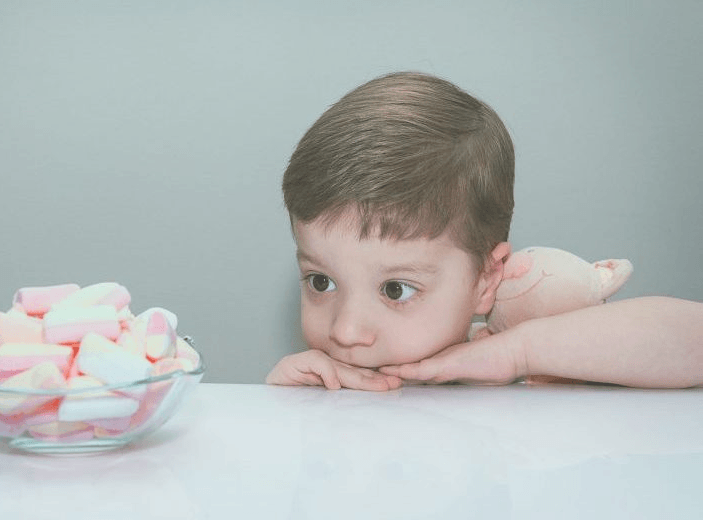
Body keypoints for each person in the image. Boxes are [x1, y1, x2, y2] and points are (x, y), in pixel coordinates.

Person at [266, 71, 703, 391]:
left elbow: (694, 341)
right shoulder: (318, 384)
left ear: (486, 280)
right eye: (321, 282)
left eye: (395, 289)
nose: (346, 330)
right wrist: (284, 409)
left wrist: (519, 353)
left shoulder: (504, 360)